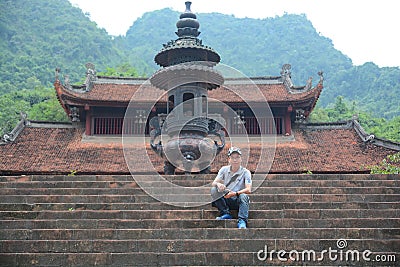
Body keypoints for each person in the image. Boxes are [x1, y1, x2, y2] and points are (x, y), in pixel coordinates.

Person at [211, 147, 252, 229]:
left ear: (241, 159)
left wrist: (235, 193)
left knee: (244, 196)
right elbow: (214, 183)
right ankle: (225, 213)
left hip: (238, 199)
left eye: (237, 157)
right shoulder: (224, 170)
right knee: (214, 189)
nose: (235, 160)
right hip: (227, 198)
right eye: (232, 158)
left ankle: (242, 220)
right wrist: (219, 184)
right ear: (229, 160)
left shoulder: (246, 172)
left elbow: (248, 189)